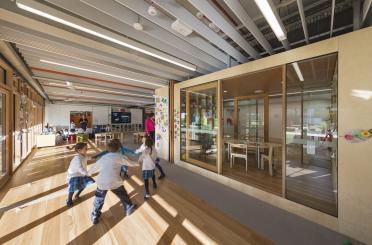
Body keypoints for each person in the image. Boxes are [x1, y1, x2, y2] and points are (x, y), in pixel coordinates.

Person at [88, 139, 137, 224]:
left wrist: (87, 173)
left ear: (108, 148)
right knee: (122, 194)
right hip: (115, 181)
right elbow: (130, 163)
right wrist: (139, 162)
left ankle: (95, 215)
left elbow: (93, 169)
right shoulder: (120, 156)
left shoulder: (103, 157)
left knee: (99, 199)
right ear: (118, 149)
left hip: (102, 182)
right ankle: (128, 207)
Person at [66, 142, 95, 207]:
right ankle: (69, 199)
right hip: (73, 176)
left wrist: (96, 157)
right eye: (85, 148)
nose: (87, 150)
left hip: (80, 174)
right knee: (72, 188)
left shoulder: (83, 155)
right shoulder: (77, 158)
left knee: (85, 184)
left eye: (87, 148)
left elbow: (88, 158)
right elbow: (80, 168)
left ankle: (77, 195)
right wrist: (87, 174)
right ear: (79, 150)